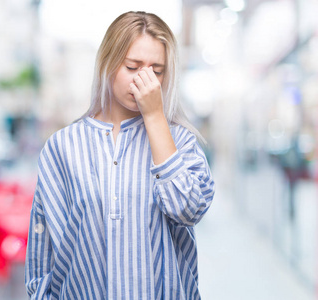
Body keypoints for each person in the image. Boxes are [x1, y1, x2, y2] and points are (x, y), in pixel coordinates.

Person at [25, 11, 215, 300]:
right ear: (109, 64)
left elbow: (188, 210)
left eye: (157, 70)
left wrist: (154, 117)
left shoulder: (181, 141)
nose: (146, 79)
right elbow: (43, 248)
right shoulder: (62, 146)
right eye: (132, 66)